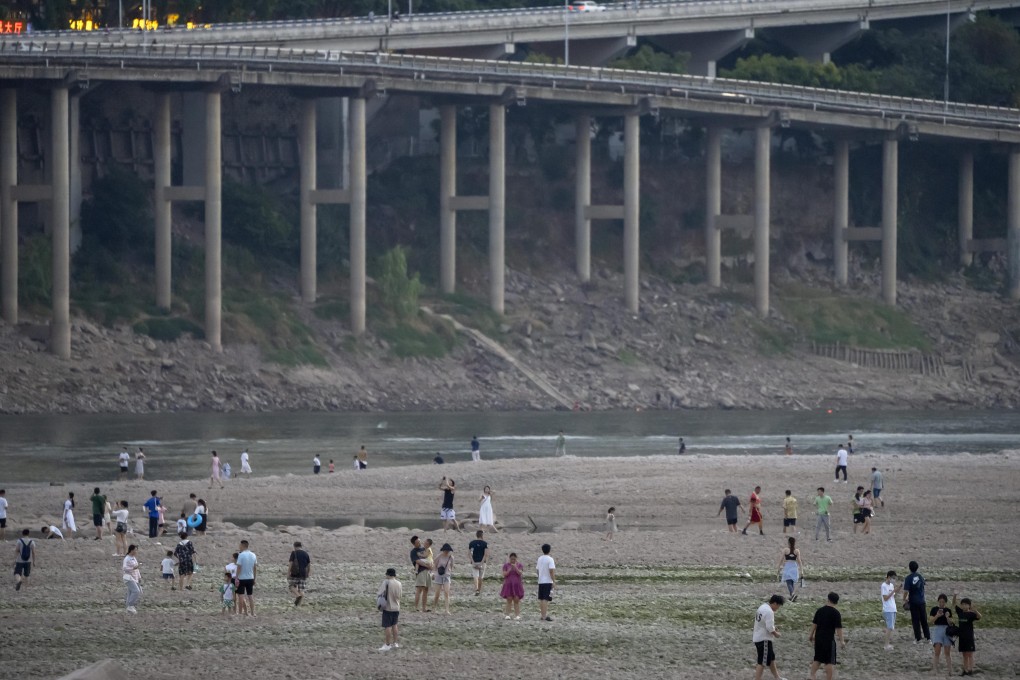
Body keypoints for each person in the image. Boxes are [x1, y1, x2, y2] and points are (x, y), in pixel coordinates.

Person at [809, 592, 846, 680]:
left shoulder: (820, 610)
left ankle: (812, 675)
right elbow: (839, 628)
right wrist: (842, 641)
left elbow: (814, 624)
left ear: (828, 599)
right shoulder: (836, 613)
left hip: (818, 638)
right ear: (836, 602)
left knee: (817, 658)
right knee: (829, 661)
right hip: (829, 640)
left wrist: (810, 635)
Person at [752, 594, 786, 680]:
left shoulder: (763, 606)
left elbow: (765, 623)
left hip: (757, 637)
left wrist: (773, 628)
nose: (777, 608)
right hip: (764, 639)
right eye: (778, 606)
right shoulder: (769, 611)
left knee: (771, 658)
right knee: (762, 661)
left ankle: (777, 677)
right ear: (775, 603)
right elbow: (769, 628)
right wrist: (776, 634)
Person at [953, 592, 981, 676]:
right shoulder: (960, 612)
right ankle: (965, 670)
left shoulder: (971, 614)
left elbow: (980, 617)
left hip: (969, 637)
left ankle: (970, 670)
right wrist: (954, 595)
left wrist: (975, 610)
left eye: (966, 604)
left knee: (970, 654)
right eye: (963, 604)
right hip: (962, 637)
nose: (964, 606)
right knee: (964, 655)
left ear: (969, 605)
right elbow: (954, 604)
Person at [903, 560, 930, 644]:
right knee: (924, 620)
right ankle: (928, 638)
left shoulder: (908, 578)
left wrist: (904, 599)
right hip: (922, 601)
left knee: (915, 620)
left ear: (909, 568)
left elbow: (906, 591)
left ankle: (918, 638)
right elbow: (924, 585)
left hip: (914, 602)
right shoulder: (921, 576)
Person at [929, 593, 955, 675]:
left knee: (947, 652)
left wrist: (947, 617)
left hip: (947, 630)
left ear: (945, 602)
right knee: (937, 651)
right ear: (938, 601)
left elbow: (951, 623)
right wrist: (937, 615)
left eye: (943, 602)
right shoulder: (934, 609)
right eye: (940, 602)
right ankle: (935, 670)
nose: (941, 603)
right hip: (937, 629)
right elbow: (931, 621)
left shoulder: (948, 610)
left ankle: (950, 670)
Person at [378, 567, 402, 651]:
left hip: (388, 607)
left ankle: (387, 644)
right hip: (396, 607)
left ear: (388, 574)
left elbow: (380, 593)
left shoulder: (386, 582)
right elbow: (400, 596)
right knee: (394, 625)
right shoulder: (399, 583)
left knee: (387, 626)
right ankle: (395, 643)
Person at [409, 535, 431, 612]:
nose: (419, 543)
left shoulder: (424, 549)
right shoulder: (413, 552)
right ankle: (416, 607)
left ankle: (424, 608)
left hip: (427, 572)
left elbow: (429, 556)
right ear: (414, 544)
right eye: (417, 542)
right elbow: (417, 561)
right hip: (420, 571)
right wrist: (427, 566)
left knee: (426, 590)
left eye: (419, 541)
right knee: (419, 589)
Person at [236, 539, 258, 617]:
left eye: (240, 545)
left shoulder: (241, 555)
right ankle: (252, 612)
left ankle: (240, 612)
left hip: (242, 578)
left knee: (241, 595)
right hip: (250, 577)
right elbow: (255, 568)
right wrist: (255, 578)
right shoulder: (253, 555)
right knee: (250, 595)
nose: (239, 547)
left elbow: (239, 567)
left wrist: (236, 577)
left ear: (243, 546)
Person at [500, 552, 525, 619]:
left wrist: (515, 567)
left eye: (514, 559)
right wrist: (509, 570)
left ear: (516, 559)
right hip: (508, 584)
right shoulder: (506, 565)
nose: (513, 560)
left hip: (517, 584)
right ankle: (507, 614)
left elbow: (520, 573)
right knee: (509, 599)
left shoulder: (519, 565)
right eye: (511, 559)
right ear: (509, 559)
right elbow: (504, 574)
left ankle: (517, 615)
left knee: (516, 599)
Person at [777, 536, 802, 601]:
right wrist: (802, 570)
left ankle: (793, 594)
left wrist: (778, 567)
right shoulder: (797, 551)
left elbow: (781, 559)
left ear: (788, 542)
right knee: (792, 582)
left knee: (788, 582)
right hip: (794, 566)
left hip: (788, 566)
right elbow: (799, 561)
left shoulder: (785, 550)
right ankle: (792, 597)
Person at [431, 543, 454, 614]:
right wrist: (434, 572)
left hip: (447, 576)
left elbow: (452, 566)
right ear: (443, 550)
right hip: (438, 576)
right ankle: (434, 608)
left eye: (448, 550)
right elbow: (434, 564)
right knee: (437, 593)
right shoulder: (439, 556)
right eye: (445, 550)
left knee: (447, 593)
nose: (446, 552)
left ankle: (447, 610)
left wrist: (450, 571)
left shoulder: (451, 557)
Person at [536, 543, 556, 622]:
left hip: (541, 581)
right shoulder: (550, 559)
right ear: (549, 550)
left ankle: (542, 614)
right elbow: (551, 571)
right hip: (547, 581)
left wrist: (540, 577)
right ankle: (544, 616)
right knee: (545, 599)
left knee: (541, 598)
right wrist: (554, 581)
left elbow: (537, 570)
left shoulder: (540, 558)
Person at [881, 570, 900, 650]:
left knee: (890, 627)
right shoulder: (884, 585)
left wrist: (898, 589)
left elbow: (893, 596)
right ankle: (886, 645)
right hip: (888, 609)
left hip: (893, 608)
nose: (893, 579)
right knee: (890, 627)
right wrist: (893, 591)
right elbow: (885, 598)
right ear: (888, 577)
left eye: (895, 578)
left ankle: (887, 643)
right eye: (893, 578)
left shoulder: (891, 585)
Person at [288, 541, 311, 606]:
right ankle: (299, 605)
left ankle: (297, 596)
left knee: (291, 586)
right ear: (301, 546)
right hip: (303, 574)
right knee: (301, 589)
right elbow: (309, 565)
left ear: (295, 546)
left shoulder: (294, 553)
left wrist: (288, 572)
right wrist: (308, 573)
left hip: (295, 573)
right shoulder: (306, 554)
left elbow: (291, 563)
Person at [122, 545, 142, 613]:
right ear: (131, 550)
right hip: (128, 578)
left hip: (134, 577)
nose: (136, 551)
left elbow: (137, 568)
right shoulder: (127, 558)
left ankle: (128, 607)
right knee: (136, 591)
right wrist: (133, 568)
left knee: (130, 592)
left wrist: (139, 577)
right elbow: (124, 568)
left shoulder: (133, 558)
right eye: (135, 550)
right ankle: (130, 605)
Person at [468, 530, 489, 596]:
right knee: (481, 577)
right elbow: (486, 554)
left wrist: (473, 562)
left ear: (476, 535)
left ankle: (476, 589)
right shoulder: (485, 543)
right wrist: (482, 563)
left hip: (474, 561)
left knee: (475, 576)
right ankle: (479, 590)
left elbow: (469, 554)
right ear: (482, 535)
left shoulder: (472, 543)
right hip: (482, 562)